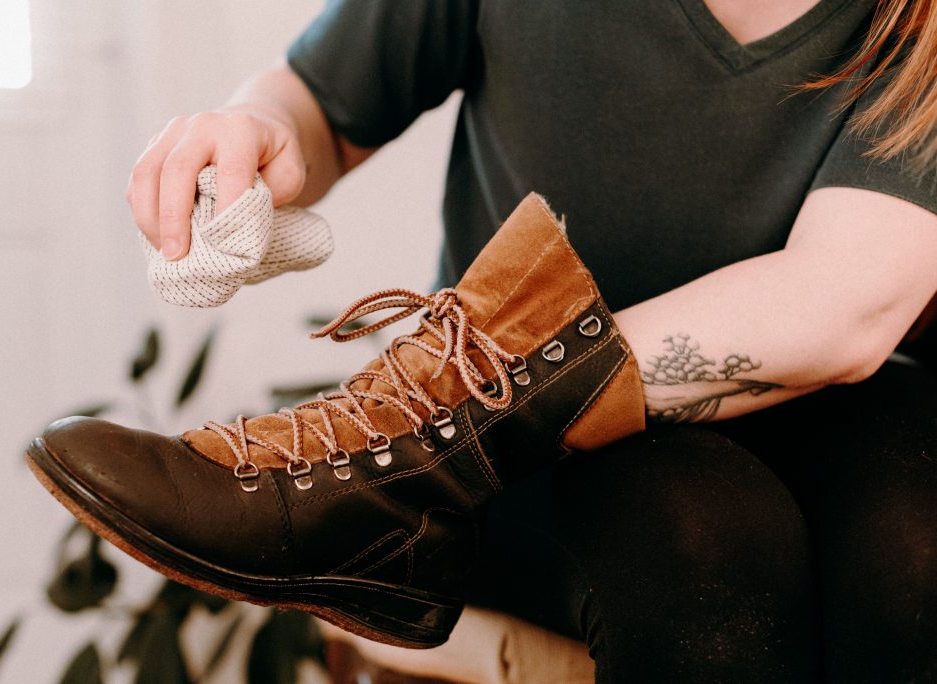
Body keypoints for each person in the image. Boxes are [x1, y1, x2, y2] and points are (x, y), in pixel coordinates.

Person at [118, 1, 935, 680]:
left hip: (828, 413)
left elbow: (843, 304)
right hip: (543, 455)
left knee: (916, 549)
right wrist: (254, 137)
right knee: (699, 544)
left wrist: (435, 408)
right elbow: (319, 107)